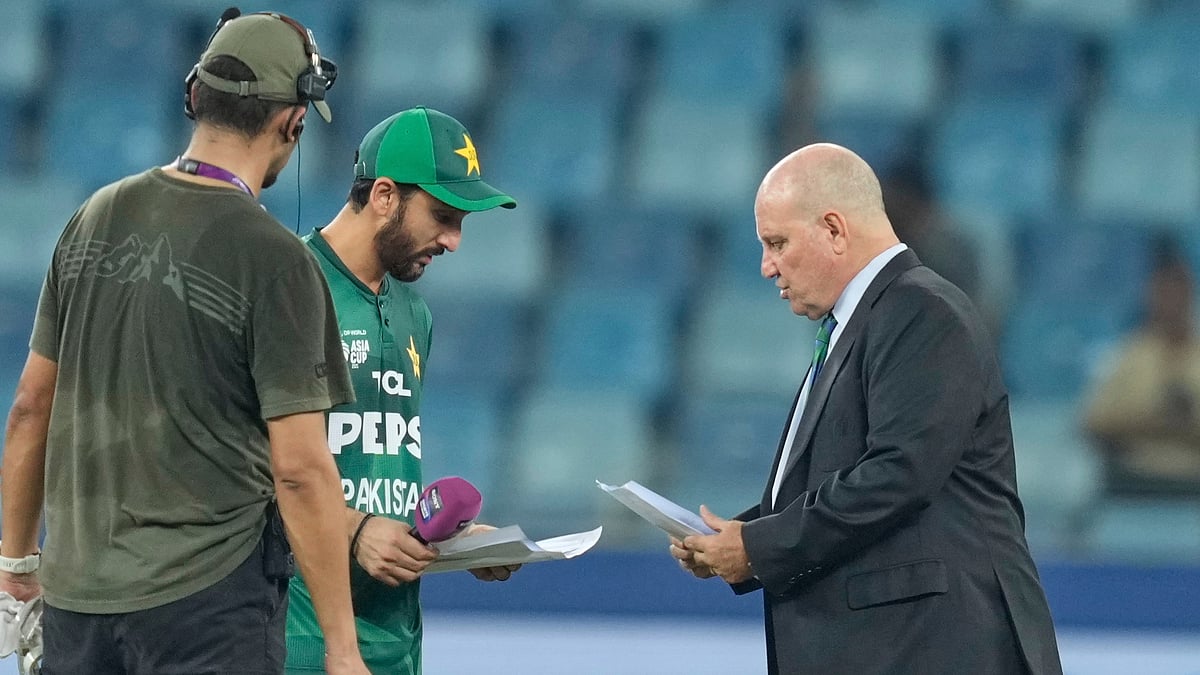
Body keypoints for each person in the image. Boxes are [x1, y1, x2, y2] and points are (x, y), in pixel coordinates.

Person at [0, 10, 370, 674]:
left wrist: (17, 563)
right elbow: (299, 468)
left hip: (77, 602)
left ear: (196, 98)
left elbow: (30, 406)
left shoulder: (94, 215)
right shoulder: (276, 260)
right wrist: (344, 650)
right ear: (294, 121)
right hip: (209, 608)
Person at [670, 143, 1063, 674]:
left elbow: (897, 474)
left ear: (834, 229)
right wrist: (738, 541)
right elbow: (841, 476)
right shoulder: (862, 322)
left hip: (933, 650)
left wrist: (760, 546)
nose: (767, 267)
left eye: (777, 243)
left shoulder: (922, 311)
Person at [284, 107, 520, 674]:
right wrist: (355, 529)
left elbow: (376, 463)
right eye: (442, 215)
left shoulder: (414, 311)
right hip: (298, 635)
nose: (454, 240)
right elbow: (239, 470)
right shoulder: (289, 287)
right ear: (384, 195)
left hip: (396, 637)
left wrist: (450, 541)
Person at [1083, 237, 1200, 496]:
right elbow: (1093, 422)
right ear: (1151, 294)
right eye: (1164, 290)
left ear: (1190, 292)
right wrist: (1154, 415)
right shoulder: (1128, 354)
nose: (1172, 299)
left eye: (1179, 289)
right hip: (1136, 479)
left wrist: (1188, 417)